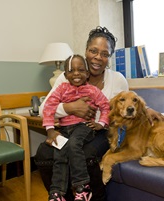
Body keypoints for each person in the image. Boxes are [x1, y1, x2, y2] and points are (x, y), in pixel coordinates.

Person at [37, 26, 129, 201]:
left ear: (109, 58)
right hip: (70, 128)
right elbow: (44, 110)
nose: (97, 57)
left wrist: (100, 120)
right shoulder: (68, 75)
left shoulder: (117, 80)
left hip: (101, 131)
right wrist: (70, 108)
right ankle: (60, 196)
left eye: (104, 54)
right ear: (86, 51)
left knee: (85, 154)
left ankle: (93, 196)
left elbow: (120, 115)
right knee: (44, 153)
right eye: (93, 51)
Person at [43, 54, 110, 201]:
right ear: (65, 75)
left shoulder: (92, 90)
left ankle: (83, 188)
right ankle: (57, 193)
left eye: (80, 70)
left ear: (87, 73)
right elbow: (48, 107)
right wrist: (50, 130)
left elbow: (106, 106)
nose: (76, 74)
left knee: (74, 144)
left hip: (83, 126)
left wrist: (101, 123)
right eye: (71, 71)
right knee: (60, 151)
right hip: (65, 128)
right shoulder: (61, 89)